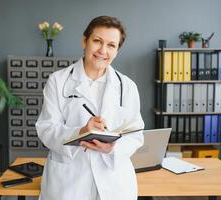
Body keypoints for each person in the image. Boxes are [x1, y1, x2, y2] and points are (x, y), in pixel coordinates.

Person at [36, 15, 144, 200]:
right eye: (97, 41)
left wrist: (113, 149)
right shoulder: (58, 81)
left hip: (113, 181)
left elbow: (135, 134)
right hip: (70, 181)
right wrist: (81, 131)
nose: (103, 50)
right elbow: (46, 129)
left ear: (117, 50)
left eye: (111, 45)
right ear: (84, 41)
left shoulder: (127, 86)